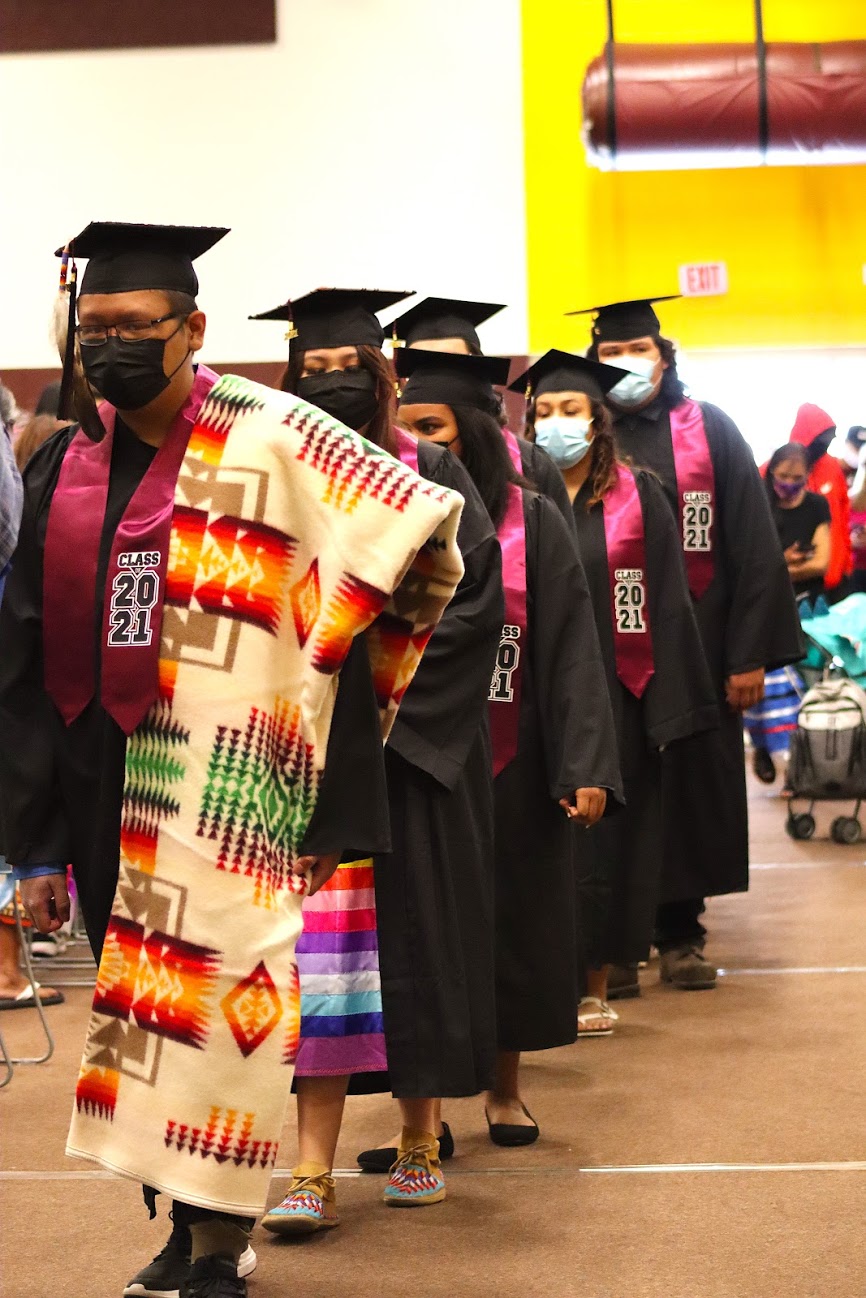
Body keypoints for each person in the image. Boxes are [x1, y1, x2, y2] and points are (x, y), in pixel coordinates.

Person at [0, 231, 467, 1298]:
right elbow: (20, 659)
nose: (109, 345)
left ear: (194, 329)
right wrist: (26, 837)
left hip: (235, 785)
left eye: (135, 327)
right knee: (144, 1019)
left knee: (222, 1009)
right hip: (98, 778)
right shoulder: (63, 460)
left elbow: (416, 550)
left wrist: (328, 780)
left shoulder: (277, 437)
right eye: (95, 328)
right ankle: (176, 1222)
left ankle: (218, 1241)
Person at [250, 290, 503, 1225]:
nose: (334, 384)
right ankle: (309, 1168)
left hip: (411, 755)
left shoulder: (431, 469)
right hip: (312, 749)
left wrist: (387, 694)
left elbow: (473, 602)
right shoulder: (278, 472)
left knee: (418, 937)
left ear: (385, 371)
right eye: (313, 372)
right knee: (321, 961)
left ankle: (418, 1137)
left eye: (350, 366)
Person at [395, 346, 621, 1130]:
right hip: (422, 754)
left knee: (517, 920)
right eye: (407, 427)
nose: (421, 444)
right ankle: (425, 1114)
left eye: (434, 427)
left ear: (479, 435)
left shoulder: (536, 517)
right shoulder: (387, 516)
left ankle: (503, 1088)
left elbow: (573, 646)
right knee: (429, 931)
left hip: (515, 755)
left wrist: (584, 760)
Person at [579, 297, 802, 994]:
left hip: (700, 649)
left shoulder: (708, 429)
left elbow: (753, 546)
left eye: (638, 348)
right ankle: (614, 943)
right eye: (611, 352)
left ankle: (681, 933)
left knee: (687, 792)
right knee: (609, 790)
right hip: (605, 654)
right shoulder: (581, 432)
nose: (626, 363)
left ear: (664, 354)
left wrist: (749, 655)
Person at [514, 350, 718, 1030]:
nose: (555, 424)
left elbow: (665, 604)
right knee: (538, 839)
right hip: (535, 694)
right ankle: (540, 981)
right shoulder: (514, 496)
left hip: (621, 694)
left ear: (600, 422)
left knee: (607, 845)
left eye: (571, 411)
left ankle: (598, 979)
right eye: (543, 412)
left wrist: (669, 708)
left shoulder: (640, 496)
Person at [388, 295, 574, 526]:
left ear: (477, 364)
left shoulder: (533, 463)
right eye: (419, 364)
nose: (437, 371)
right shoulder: (390, 463)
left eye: (452, 362)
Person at [745, 443, 829, 784]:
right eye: (783, 476)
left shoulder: (817, 505)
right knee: (761, 692)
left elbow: (821, 562)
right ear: (771, 474)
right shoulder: (757, 505)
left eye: (798, 478)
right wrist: (786, 564)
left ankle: (800, 774)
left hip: (809, 610)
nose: (789, 484)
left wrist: (777, 566)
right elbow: (750, 564)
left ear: (808, 477)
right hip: (765, 609)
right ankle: (763, 748)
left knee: (806, 690)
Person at [789, 403, 851, 601]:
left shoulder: (833, 467)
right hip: (795, 576)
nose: (824, 445)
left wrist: (846, 563)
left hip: (835, 576)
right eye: (820, 440)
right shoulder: (779, 468)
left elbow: (843, 515)